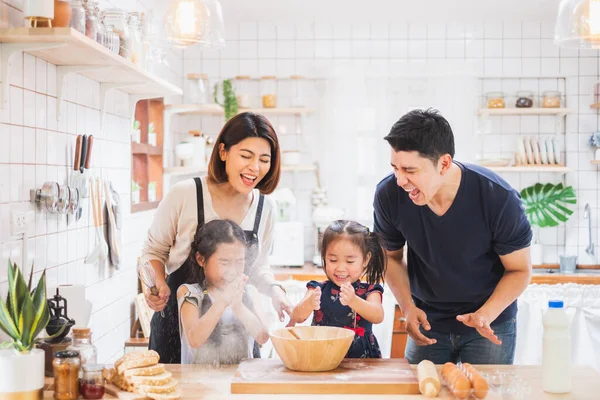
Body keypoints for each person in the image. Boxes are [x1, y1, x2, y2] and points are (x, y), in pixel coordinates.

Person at [373, 108, 532, 365]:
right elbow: (390, 258)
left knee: (486, 394)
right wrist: (407, 307)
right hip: (427, 321)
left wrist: (485, 315)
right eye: (395, 168)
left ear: (444, 164)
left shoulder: (497, 197)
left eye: (410, 170)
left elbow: (519, 271)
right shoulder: (389, 194)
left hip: (489, 321)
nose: (400, 180)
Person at [141, 112, 292, 364]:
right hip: (177, 336)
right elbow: (153, 251)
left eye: (264, 159)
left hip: (236, 339)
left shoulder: (266, 207)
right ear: (223, 152)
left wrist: (275, 291)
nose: (255, 167)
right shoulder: (186, 194)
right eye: (245, 156)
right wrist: (158, 283)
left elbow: (259, 266)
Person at [177, 219, 269, 364]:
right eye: (224, 262)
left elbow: (262, 337)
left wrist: (238, 307)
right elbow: (194, 340)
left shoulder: (250, 292)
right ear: (201, 259)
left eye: (239, 261)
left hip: (241, 382)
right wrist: (223, 301)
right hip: (198, 384)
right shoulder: (189, 293)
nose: (233, 270)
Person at [291, 220, 387, 358]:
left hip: (361, 359)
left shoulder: (370, 291)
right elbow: (297, 316)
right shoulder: (317, 289)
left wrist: (354, 301)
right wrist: (308, 303)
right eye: (333, 260)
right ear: (324, 256)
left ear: (365, 260)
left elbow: (378, 316)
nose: (340, 268)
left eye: (349, 261)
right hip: (322, 355)